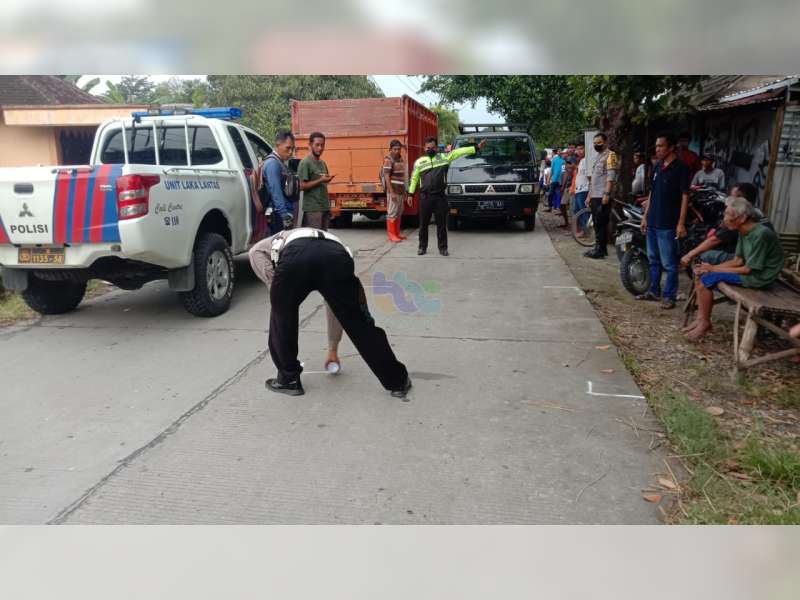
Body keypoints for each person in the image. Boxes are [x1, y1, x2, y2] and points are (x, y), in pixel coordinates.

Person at [248, 227, 412, 398]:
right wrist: (333, 349)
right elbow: (335, 307)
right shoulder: (335, 244)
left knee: (281, 318)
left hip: (294, 257)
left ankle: (288, 380)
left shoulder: (268, 243)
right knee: (360, 324)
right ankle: (397, 381)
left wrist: (277, 290)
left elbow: (254, 253)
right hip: (336, 258)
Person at [685, 197, 785, 341]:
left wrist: (713, 269)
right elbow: (737, 261)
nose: (724, 218)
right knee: (702, 272)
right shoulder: (743, 231)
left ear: (742, 218)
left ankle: (705, 323)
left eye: (728, 215)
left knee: (707, 278)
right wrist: (710, 268)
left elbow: (748, 269)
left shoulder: (761, 234)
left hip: (759, 278)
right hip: (748, 271)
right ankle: (701, 320)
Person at [408, 136, 487, 256]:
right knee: (423, 224)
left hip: (440, 197)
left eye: (433, 147)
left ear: (436, 148)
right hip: (425, 197)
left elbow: (458, 152)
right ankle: (422, 247)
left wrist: (475, 148)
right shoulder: (419, 162)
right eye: (428, 147)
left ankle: (443, 248)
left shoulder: (445, 157)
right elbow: (414, 178)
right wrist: (410, 194)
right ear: (424, 148)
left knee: (441, 225)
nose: (430, 149)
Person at [638, 131, 690, 309]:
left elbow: (685, 196)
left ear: (671, 147)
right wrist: (645, 216)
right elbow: (652, 193)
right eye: (657, 145)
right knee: (653, 259)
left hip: (668, 223)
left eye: (661, 146)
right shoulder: (658, 166)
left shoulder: (681, 168)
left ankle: (669, 296)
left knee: (669, 263)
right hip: (653, 221)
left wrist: (681, 223)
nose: (657, 149)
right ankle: (654, 290)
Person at [584, 132, 619, 259]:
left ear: (605, 142)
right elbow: (594, 179)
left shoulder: (611, 155)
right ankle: (600, 248)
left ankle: (600, 250)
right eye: (594, 143)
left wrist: (607, 193)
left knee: (601, 223)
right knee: (597, 223)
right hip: (595, 195)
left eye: (599, 143)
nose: (596, 145)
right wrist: (589, 195)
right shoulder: (598, 157)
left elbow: (611, 177)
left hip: (603, 195)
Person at [298, 132, 335, 230]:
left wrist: (327, 179)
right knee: (314, 239)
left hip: (324, 207)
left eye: (322, 145)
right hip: (313, 209)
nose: (320, 148)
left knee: (323, 239)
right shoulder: (305, 163)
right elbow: (302, 186)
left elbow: (323, 182)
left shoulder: (322, 163)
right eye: (317, 145)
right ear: (310, 145)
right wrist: (321, 180)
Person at [263, 131, 297, 234]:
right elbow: (275, 191)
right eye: (288, 148)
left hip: (281, 214)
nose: (291, 152)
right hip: (278, 215)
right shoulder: (273, 164)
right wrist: (284, 216)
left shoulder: (280, 163)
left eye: (292, 148)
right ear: (278, 145)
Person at [382, 139, 410, 243]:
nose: (397, 151)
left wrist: (405, 191)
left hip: (401, 191)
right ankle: (392, 235)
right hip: (393, 191)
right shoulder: (388, 160)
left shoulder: (400, 159)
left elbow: (403, 177)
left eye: (399, 149)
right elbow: (386, 177)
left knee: (399, 212)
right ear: (390, 149)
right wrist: (391, 192)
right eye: (395, 149)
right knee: (392, 212)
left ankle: (397, 233)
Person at [573, 142, 590, 236]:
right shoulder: (581, 161)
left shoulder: (587, 161)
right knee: (578, 211)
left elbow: (589, 177)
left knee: (583, 212)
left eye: (581, 148)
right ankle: (582, 231)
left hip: (584, 189)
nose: (579, 151)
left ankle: (586, 231)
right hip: (578, 189)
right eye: (578, 149)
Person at [558, 157, 575, 229]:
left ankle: (571, 224)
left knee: (569, 207)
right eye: (566, 163)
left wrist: (562, 187)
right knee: (563, 205)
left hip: (570, 189)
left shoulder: (571, 171)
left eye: (568, 163)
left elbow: (565, 178)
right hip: (567, 188)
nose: (566, 164)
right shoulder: (567, 170)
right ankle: (567, 223)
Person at [547, 148, 565, 213]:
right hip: (554, 179)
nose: (560, 152)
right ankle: (550, 207)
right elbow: (551, 170)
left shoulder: (563, 161)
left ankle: (558, 208)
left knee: (559, 195)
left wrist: (563, 182)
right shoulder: (554, 160)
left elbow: (563, 172)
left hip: (560, 180)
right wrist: (548, 179)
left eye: (561, 151)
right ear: (557, 152)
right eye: (559, 151)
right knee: (550, 194)